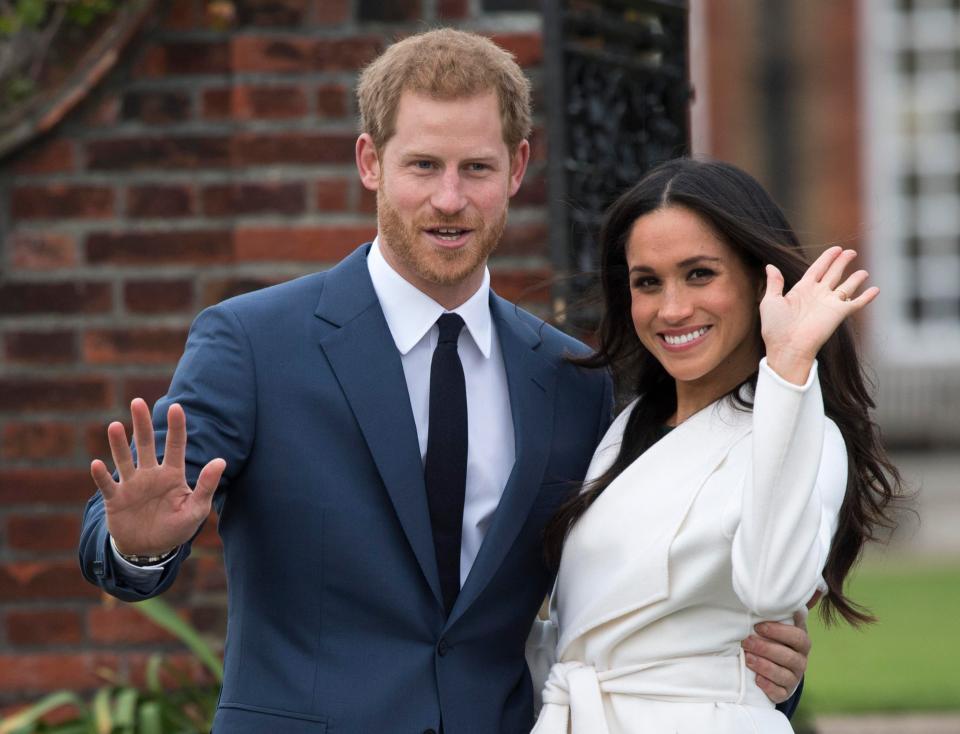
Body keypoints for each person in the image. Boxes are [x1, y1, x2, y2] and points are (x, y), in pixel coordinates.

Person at [78, 31, 809, 734]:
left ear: (518, 168)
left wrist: (759, 663)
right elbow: (129, 526)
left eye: (476, 169)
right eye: (423, 166)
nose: (450, 200)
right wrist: (137, 546)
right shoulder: (252, 344)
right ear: (371, 161)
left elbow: (638, 578)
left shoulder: (571, 380)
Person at [529, 158, 902, 733]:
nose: (672, 308)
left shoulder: (808, 433)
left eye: (700, 274)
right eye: (647, 282)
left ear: (759, 279)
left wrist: (789, 367)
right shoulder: (626, 429)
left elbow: (772, 586)